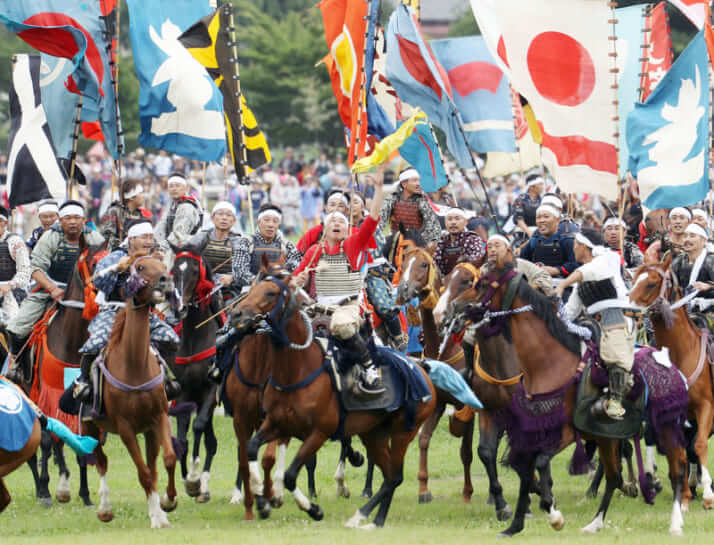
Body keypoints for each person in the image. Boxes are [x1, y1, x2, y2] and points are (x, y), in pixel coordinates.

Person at [294, 173, 386, 396]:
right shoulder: (315, 251)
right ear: (324, 229)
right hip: (318, 307)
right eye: (332, 221)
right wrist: (297, 282)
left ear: (347, 230)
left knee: (342, 326)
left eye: (341, 222)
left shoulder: (353, 245)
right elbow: (295, 278)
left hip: (348, 307)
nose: (336, 223)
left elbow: (372, 219)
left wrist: (380, 188)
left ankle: (370, 370)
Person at [71, 220, 181, 401]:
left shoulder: (154, 261)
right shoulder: (114, 258)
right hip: (114, 311)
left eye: (151, 237)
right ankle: (83, 381)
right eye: (144, 237)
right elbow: (97, 281)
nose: (148, 241)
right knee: (96, 343)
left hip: (144, 314)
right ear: (131, 239)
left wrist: (176, 302)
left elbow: (168, 287)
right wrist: (116, 268)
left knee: (171, 338)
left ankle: (167, 380)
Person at [5, 201, 105, 384]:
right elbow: (35, 268)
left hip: (88, 295)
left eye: (77, 218)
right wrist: (52, 289)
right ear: (60, 220)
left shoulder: (95, 238)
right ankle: (18, 366)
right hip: (49, 291)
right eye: (68, 218)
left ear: (83, 219)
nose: (73, 222)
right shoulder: (50, 237)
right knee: (18, 327)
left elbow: (105, 266)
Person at [556, 229, 634, 420]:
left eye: (575, 244)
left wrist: (562, 285)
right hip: (593, 324)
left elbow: (589, 271)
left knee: (614, 354)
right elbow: (569, 312)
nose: (573, 248)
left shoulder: (608, 259)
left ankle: (616, 401)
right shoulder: (580, 281)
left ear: (584, 246)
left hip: (616, 320)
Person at [232, 203, 301, 289]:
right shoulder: (246, 242)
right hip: (251, 289)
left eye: (275, 221)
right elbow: (239, 271)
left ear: (279, 225)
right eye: (266, 220)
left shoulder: (287, 245)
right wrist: (260, 283)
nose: (271, 225)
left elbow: (296, 267)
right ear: (258, 222)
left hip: (280, 289)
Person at [189, 201, 242, 298]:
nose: (224, 218)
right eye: (220, 214)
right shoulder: (202, 237)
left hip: (229, 288)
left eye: (228, 215)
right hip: (202, 286)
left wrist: (232, 277)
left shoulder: (239, 242)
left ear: (234, 221)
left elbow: (244, 267)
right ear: (212, 218)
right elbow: (188, 256)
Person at [379, 167, 441, 244]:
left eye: (419, 181)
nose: (418, 184)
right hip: (396, 241)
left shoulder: (422, 200)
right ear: (404, 184)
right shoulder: (392, 199)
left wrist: (427, 243)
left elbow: (433, 227)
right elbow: (380, 222)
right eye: (415, 181)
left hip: (417, 242)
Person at [519, 202, 578, 278]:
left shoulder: (566, 239)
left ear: (557, 220)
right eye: (538, 217)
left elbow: (576, 264)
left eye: (546, 217)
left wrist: (556, 270)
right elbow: (522, 261)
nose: (541, 220)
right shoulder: (534, 240)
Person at [99, 179, 153, 251]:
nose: (143, 196)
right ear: (131, 197)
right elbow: (107, 238)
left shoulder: (141, 215)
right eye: (140, 193)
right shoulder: (114, 211)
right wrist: (125, 247)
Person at [0, 206, 31, 328]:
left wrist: (9, 286)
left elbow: (25, 272)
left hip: (11, 292)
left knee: (16, 329)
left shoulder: (15, 242)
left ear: (5, 223)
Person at [433, 207, 485, 277]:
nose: (453, 222)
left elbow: (477, 261)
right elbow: (437, 265)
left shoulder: (473, 239)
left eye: (457, 219)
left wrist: (466, 259)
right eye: (450, 219)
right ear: (445, 223)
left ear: (465, 222)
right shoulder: (441, 241)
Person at [297, 189, 350, 253]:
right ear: (326, 208)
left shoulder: (352, 231)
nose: (336, 208)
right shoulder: (314, 232)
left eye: (340, 206)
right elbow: (298, 253)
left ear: (347, 210)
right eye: (332, 205)